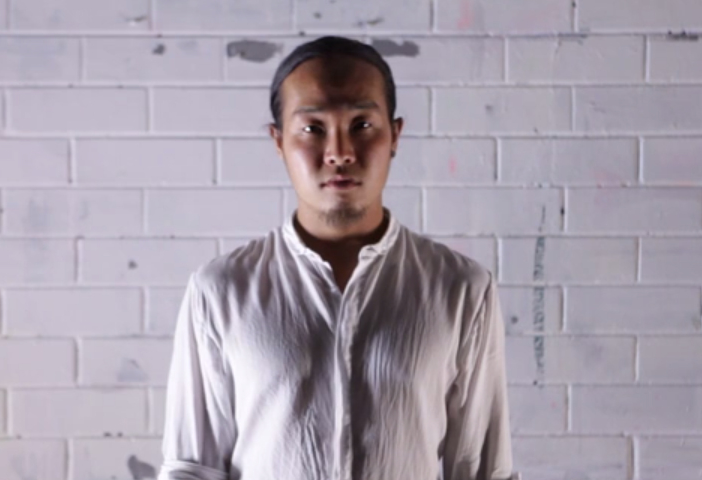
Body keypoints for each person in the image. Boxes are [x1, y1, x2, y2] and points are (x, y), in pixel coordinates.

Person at [157, 36, 515, 480]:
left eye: (362, 124)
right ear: (278, 141)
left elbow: (482, 471)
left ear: (395, 135)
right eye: (313, 128)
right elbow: (192, 470)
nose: (340, 152)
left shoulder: (461, 289)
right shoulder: (221, 291)